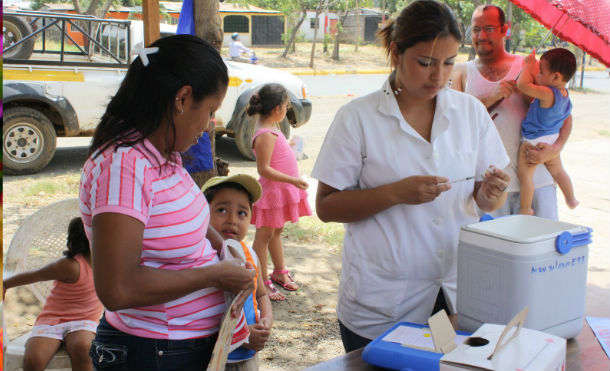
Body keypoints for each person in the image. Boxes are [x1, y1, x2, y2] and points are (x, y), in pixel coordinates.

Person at [311, 0, 511, 353]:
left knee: (442, 361)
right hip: (382, 303)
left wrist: (492, 192)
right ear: (395, 52)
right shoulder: (357, 118)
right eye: (425, 63)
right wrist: (395, 193)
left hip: (450, 296)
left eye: (449, 63)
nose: (438, 76)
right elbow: (326, 206)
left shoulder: (469, 113)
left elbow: (483, 199)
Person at [78, 34, 256, 371]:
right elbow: (117, 287)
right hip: (154, 351)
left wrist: (223, 248)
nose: (209, 126)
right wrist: (215, 275)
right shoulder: (124, 166)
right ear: (183, 98)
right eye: (210, 111)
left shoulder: (163, 151)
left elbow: (183, 220)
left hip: (179, 348)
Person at [451, 4, 573, 220]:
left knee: (539, 250)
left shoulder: (531, 67)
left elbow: (563, 115)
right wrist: (492, 97)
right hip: (490, 188)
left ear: (504, 29)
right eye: (475, 29)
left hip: (538, 183)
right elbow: (455, 124)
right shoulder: (462, 72)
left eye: (489, 28)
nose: (481, 35)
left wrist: (554, 149)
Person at [3, 217, 103, 371]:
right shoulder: (70, 265)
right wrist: (5, 285)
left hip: (85, 321)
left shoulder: (107, 264)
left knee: (83, 348)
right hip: (52, 321)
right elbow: (34, 275)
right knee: (33, 359)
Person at [247, 83, 312, 301]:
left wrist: (289, 145)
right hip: (272, 194)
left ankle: (279, 271)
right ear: (277, 109)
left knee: (275, 231)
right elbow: (263, 168)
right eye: (285, 106)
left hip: (280, 192)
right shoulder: (265, 133)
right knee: (263, 235)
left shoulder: (272, 128)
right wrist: (293, 180)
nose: (286, 110)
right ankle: (261, 281)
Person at [202, 174, 273, 371]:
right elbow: (205, 317)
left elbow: (261, 294)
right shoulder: (203, 259)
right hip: (216, 360)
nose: (232, 220)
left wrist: (267, 320)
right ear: (202, 213)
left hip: (248, 358)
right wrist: (244, 335)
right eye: (222, 210)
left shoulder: (250, 254)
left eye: (242, 213)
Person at [516, 48, 578, 215]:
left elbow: (522, 85)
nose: (538, 76)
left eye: (541, 72)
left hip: (534, 140)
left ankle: (525, 208)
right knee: (558, 171)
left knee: (525, 175)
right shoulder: (564, 95)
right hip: (552, 139)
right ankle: (571, 198)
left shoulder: (547, 93)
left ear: (556, 77)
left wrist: (528, 65)